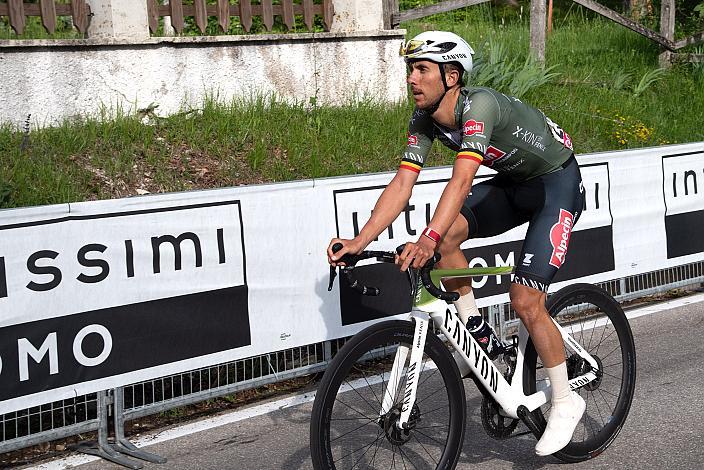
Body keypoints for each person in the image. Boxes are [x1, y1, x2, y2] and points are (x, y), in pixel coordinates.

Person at [327, 30, 585, 456]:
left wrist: (427, 239)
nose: (412, 78)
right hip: (516, 184)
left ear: (451, 76)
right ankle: (477, 333)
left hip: (556, 184)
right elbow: (402, 184)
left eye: (421, 69)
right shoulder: (423, 118)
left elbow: (462, 179)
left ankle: (564, 398)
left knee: (524, 300)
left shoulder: (478, 106)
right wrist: (359, 241)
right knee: (445, 236)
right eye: (410, 69)